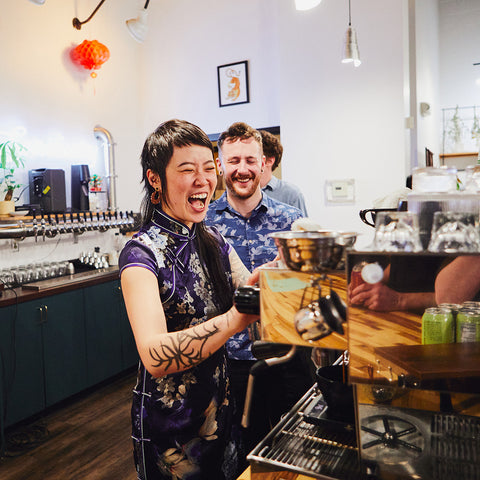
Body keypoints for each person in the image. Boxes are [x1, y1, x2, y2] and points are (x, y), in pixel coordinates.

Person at [118, 119, 263, 480]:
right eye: (187, 170)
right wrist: (236, 318)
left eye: (208, 168)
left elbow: (253, 289)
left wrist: (280, 276)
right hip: (173, 432)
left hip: (219, 412)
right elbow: (153, 355)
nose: (204, 181)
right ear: (155, 179)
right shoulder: (140, 254)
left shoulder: (213, 239)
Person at [205, 121, 314, 458]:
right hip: (231, 358)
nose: (242, 169)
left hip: (290, 351)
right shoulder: (204, 224)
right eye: (233, 160)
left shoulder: (291, 220)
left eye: (250, 160)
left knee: (299, 447)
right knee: (239, 452)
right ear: (220, 165)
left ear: (264, 161)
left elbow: (310, 284)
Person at [259, 129, 308, 216]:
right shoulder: (240, 194)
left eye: (252, 157)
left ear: (269, 161)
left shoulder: (291, 194)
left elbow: (302, 228)